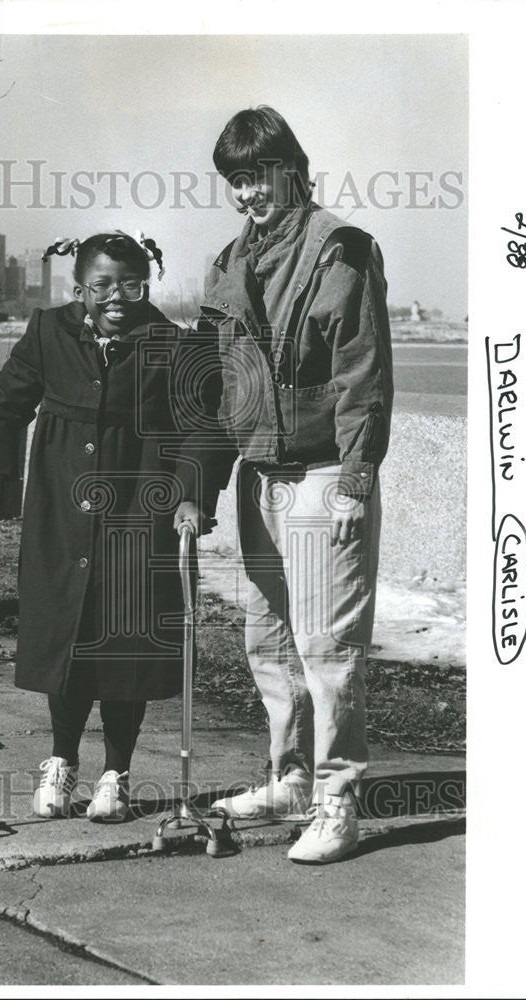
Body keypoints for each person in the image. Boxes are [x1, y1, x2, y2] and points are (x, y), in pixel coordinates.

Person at [174, 106, 394, 863]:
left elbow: (363, 379)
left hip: (324, 472)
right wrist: (196, 488)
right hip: (257, 477)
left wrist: (355, 483)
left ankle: (338, 803)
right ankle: (290, 780)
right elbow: (211, 385)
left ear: (291, 170)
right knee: (266, 639)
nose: (246, 194)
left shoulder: (342, 249)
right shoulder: (229, 262)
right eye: (234, 181)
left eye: (257, 176)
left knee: (327, 646)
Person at [0, 231, 209, 823]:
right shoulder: (50, 332)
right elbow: (4, 404)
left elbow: (200, 425)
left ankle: (116, 773)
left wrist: (191, 497)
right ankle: (62, 760)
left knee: (126, 636)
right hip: (62, 503)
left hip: (138, 504)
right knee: (66, 634)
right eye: (101, 285)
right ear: (80, 288)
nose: (116, 296)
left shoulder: (171, 345)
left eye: (130, 284)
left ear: (145, 285)